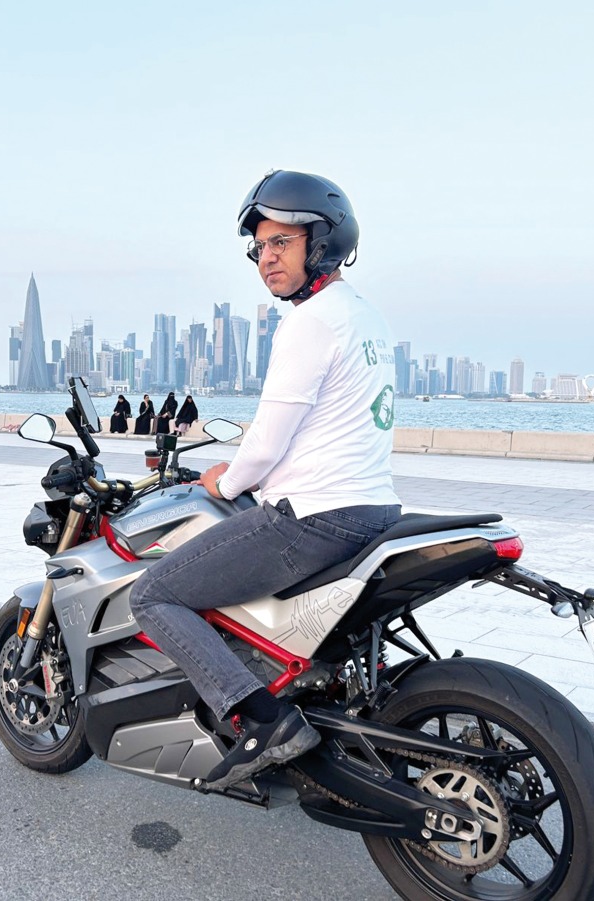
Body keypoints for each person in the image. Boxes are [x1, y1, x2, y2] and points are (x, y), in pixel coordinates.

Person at [130, 170, 401, 790]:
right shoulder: (365, 317)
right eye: (259, 247)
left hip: (312, 519)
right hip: (373, 507)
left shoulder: (310, 323)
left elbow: (269, 440)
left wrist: (224, 483)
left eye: (281, 242)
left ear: (322, 243)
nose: (266, 259)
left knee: (154, 595)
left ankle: (264, 720)